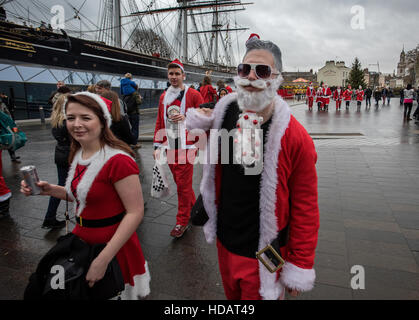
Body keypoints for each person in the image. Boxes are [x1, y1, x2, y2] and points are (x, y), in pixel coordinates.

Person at [185, 33, 319, 300]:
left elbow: (306, 205)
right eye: (245, 69)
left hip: (263, 255)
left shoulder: (296, 138)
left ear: (276, 78)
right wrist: (198, 116)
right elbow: (203, 117)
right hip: (225, 243)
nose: (251, 77)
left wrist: (300, 263)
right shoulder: (224, 112)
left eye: (262, 71)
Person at [20, 91, 150, 299]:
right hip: (82, 242)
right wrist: (50, 190)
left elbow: (135, 212)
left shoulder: (119, 160)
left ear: (102, 121)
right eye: (71, 118)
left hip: (113, 247)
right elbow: (86, 196)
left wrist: (103, 259)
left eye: (85, 118)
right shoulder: (80, 153)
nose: (76, 124)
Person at [153, 59, 204, 238]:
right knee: (181, 182)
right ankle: (194, 208)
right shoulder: (163, 96)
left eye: (177, 74)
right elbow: (160, 120)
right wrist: (157, 144)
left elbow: (204, 118)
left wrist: (187, 118)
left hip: (186, 146)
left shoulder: (194, 95)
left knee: (182, 184)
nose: (174, 77)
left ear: (183, 75)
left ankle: (182, 221)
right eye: (171, 74)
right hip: (169, 145)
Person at [120, 75, 142, 149]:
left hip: (127, 113)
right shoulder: (135, 93)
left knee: (129, 128)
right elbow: (139, 102)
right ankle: (134, 143)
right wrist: (140, 98)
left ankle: (128, 142)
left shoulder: (124, 94)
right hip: (134, 113)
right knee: (135, 128)